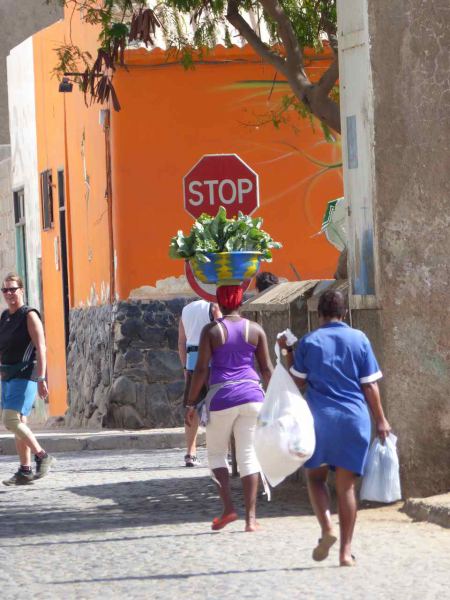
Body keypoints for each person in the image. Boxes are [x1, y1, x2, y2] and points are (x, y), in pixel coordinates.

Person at [278, 289, 391, 567]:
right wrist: (381, 420)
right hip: (355, 420)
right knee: (346, 489)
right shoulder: (360, 339)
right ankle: (345, 552)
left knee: (315, 479)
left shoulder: (309, 342)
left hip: (319, 421)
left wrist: (287, 352)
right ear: (345, 313)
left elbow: (298, 382)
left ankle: (327, 527)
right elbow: (369, 385)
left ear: (319, 315)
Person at [185, 284, 273, 532]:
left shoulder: (211, 331)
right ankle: (251, 520)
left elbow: (201, 370)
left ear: (219, 304)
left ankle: (228, 509)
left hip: (222, 397)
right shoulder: (255, 330)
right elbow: (266, 368)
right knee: (248, 456)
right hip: (253, 397)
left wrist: (191, 402)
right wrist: (277, 396)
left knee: (216, 454)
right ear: (241, 302)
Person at [0, 273, 54, 486]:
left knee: (10, 420)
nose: (9, 294)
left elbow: (41, 347)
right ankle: (25, 470)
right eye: (5, 290)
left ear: (22, 290)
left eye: (13, 289)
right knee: (19, 423)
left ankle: (42, 455)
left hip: (26, 375)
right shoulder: (5, 317)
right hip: (7, 376)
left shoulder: (29, 315)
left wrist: (41, 377)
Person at [178, 298, 220, 467]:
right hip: (211, 360)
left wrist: (185, 367)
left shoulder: (186, 310)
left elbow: (181, 342)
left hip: (191, 361)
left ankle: (190, 452)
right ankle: (225, 451)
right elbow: (222, 332)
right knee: (219, 405)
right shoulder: (214, 307)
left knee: (191, 406)